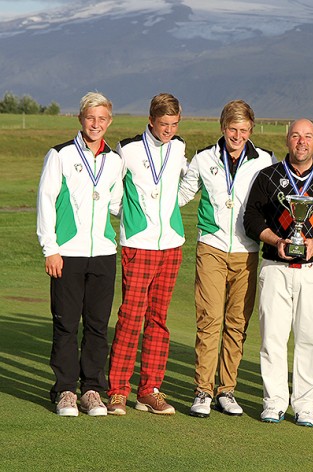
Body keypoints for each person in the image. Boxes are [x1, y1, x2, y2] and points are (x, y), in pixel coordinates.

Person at [243, 118, 313, 427]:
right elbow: (251, 219)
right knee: (272, 339)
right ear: (287, 140)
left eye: (307, 136)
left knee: (309, 340)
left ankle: (305, 406)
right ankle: (274, 402)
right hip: (275, 267)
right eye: (295, 135)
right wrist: (276, 240)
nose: (301, 141)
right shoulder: (269, 176)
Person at [178, 100, 276, 417]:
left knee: (237, 323)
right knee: (210, 320)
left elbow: (285, 188)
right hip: (212, 246)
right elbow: (181, 194)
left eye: (244, 130)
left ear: (251, 129)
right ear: (223, 127)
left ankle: (226, 390)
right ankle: (203, 391)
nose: (238, 136)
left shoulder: (265, 160)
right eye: (233, 129)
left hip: (248, 250)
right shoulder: (204, 158)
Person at [36, 91, 122, 416]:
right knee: (67, 325)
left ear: (109, 121)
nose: (96, 124)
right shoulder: (59, 155)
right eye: (90, 118)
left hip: (103, 253)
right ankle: (65, 391)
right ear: (81, 119)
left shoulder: (115, 161)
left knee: (98, 326)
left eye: (102, 119)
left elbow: (115, 203)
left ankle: (92, 391)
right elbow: (45, 202)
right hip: (67, 254)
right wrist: (51, 249)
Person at [106, 93, 188, 416]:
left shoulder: (179, 147)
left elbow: (186, 185)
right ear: (151, 120)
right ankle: (117, 390)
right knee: (130, 318)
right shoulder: (127, 149)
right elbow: (113, 194)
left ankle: (149, 390)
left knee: (158, 320)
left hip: (171, 244)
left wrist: (170, 213)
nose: (168, 130)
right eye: (164, 124)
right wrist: (132, 218)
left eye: (174, 124)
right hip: (138, 245)